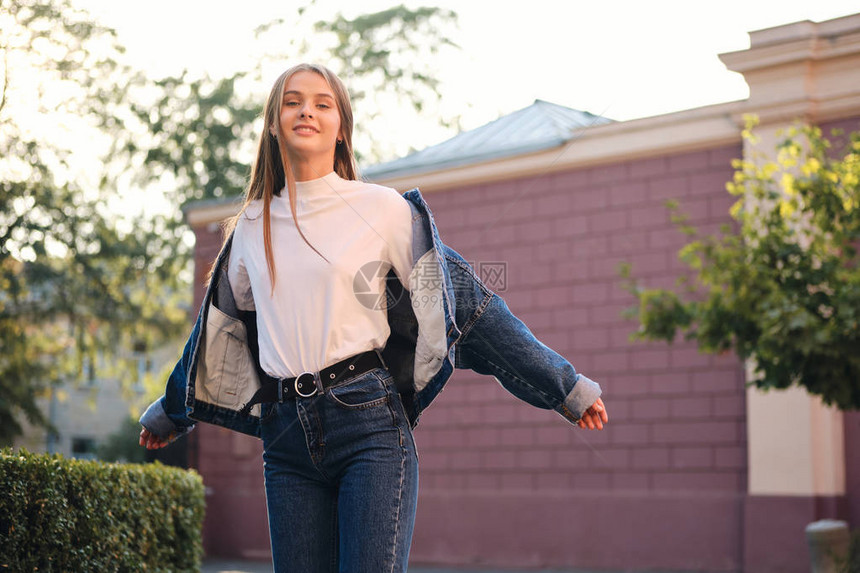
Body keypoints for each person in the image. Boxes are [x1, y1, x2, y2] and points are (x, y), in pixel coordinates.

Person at [139, 62, 609, 573]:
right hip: (285, 440)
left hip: (368, 426)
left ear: (341, 127)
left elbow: (470, 304)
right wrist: (170, 411)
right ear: (273, 122)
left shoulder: (382, 210)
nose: (307, 111)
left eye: (323, 104)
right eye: (292, 101)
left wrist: (564, 387)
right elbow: (217, 333)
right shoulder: (251, 226)